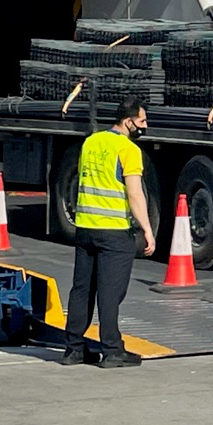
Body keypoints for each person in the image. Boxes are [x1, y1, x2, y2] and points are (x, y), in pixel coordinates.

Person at [63, 100, 157, 368]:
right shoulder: (128, 149)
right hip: (114, 232)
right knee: (109, 293)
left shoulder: (90, 142)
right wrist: (147, 230)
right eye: (142, 122)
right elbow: (135, 194)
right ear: (128, 121)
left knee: (82, 289)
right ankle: (113, 351)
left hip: (85, 228)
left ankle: (73, 349)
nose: (145, 126)